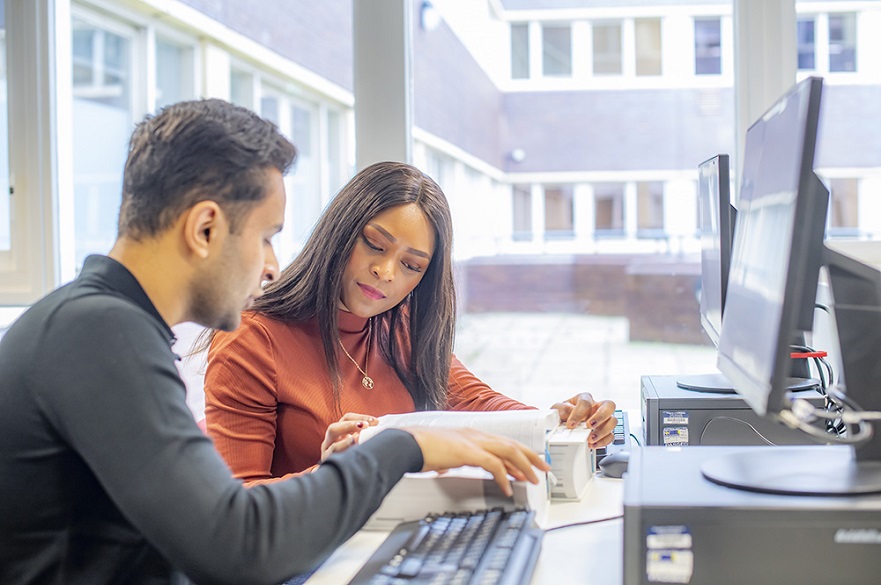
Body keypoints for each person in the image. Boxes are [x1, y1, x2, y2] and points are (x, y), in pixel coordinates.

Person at [0, 100, 550, 585]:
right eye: (265, 238)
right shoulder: (100, 334)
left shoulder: (102, 323)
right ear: (205, 229)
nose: (269, 266)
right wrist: (402, 446)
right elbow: (238, 545)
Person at [203, 161, 618, 485]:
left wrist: (558, 423)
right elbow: (237, 510)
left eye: (411, 265)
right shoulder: (251, 338)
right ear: (339, 232)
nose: (386, 272)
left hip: (390, 530)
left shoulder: (398, 324)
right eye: (374, 244)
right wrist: (331, 475)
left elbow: (476, 402)